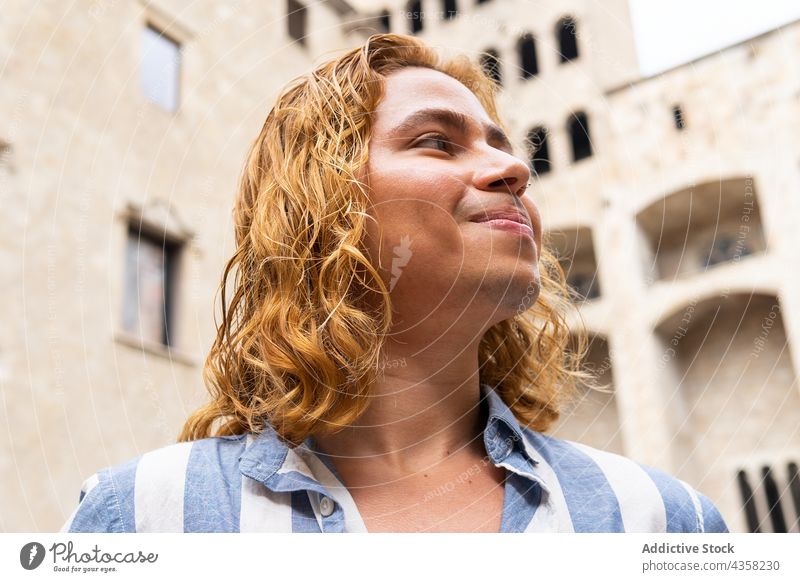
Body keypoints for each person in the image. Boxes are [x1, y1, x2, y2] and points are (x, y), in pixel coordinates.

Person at [62, 33, 728, 533]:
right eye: (438, 141)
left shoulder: (660, 522)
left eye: (502, 145)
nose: (513, 170)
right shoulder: (145, 518)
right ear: (324, 206)